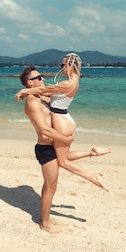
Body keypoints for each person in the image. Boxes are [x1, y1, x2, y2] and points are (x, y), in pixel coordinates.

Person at [18, 65, 109, 233]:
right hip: (45, 148)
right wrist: (66, 138)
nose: (43, 79)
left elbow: (62, 91)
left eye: (42, 76)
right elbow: (44, 129)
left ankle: (91, 153)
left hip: (54, 144)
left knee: (61, 165)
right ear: (30, 82)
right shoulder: (33, 102)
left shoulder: (43, 96)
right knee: (50, 186)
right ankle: (45, 223)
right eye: (39, 77)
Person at [17, 55, 110, 190]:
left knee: (63, 161)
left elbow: (43, 90)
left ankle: (92, 177)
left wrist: (24, 90)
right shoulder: (73, 82)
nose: (61, 69)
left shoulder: (67, 83)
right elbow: (45, 93)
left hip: (61, 121)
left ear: (70, 66)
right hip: (66, 119)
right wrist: (29, 93)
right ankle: (92, 153)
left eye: (62, 65)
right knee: (64, 157)